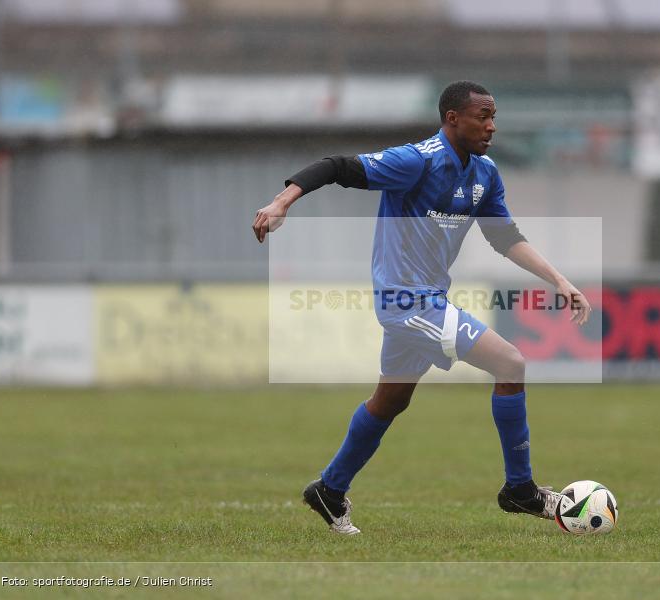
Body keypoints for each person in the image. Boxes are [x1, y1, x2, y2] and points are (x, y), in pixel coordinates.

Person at [253, 81, 590, 535]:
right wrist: (281, 202)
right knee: (510, 362)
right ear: (452, 118)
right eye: (482, 116)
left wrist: (560, 281)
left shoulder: (485, 173)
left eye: (494, 117)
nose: (491, 126)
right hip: (405, 302)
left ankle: (329, 490)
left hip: (431, 298)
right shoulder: (417, 160)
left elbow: (504, 237)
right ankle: (520, 490)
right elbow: (336, 166)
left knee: (390, 399)